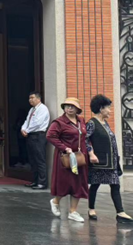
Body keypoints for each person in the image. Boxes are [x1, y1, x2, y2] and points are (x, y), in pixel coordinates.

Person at [85, 94, 133, 224]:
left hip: (111, 162)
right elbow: (85, 139)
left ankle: (120, 212)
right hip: (100, 162)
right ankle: (91, 209)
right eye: (108, 108)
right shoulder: (92, 123)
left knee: (115, 185)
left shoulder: (105, 123)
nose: (110, 111)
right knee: (95, 184)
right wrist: (91, 154)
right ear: (101, 108)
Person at [47, 98, 89, 223]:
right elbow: (50, 136)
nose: (69, 108)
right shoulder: (59, 122)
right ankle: (55, 201)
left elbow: (85, 137)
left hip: (79, 157)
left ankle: (73, 212)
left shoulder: (81, 120)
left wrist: (90, 152)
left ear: (77, 109)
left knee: (78, 183)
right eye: (67, 106)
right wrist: (64, 148)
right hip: (65, 157)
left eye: (72, 106)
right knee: (65, 182)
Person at [21, 91, 50, 189]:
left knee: (40, 159)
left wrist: (27, 130)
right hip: (31, 135)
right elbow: (27, 121)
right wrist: (23, 129)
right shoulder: (32, 109)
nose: (30, 100)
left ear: (38, 99)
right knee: (32, 160)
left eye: (32, 98)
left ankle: (42, 183)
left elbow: (37, 123)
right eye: (29, 98)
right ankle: (35, 180)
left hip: (38, 136)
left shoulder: (43, 109)